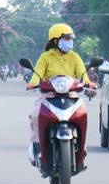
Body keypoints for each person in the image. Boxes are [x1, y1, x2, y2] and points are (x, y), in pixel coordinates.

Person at [25, 24, 93, 164]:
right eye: (66, 38)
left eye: (70, 38)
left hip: (71, 95)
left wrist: (88, 82)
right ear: (55, 40)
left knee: (83, 114)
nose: (69, 41)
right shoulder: (45, 57)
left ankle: (81, 146)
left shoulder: (75, 57)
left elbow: (82, 74)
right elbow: (37, 75)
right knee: (34, 116)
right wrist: (33, 83)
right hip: (48, 95)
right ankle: (37, 147)